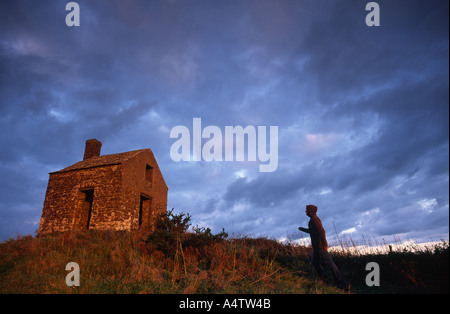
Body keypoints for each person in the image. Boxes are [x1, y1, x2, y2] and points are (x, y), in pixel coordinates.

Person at [298, 204, 347, 290]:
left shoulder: (315, 220)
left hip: (321, 247)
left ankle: (342, 286)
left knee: (331, 265)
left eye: (307, 210)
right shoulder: (312, 220)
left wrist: (325, 245)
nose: (305, 212)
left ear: (310, 211)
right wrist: (302, 229)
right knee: (314, 262)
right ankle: (325, 281)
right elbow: (312, 231)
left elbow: (322, 232)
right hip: (316, 248)